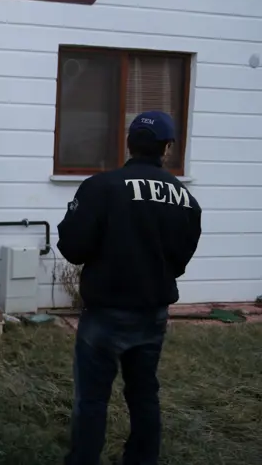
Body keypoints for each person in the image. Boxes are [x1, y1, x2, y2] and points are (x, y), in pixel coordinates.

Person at [57, 111, 202, 465]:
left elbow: (73, 247)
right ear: (167, 148)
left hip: (104, 313)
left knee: (92, 398)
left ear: (129, 143)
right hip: (152, 313)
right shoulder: (185, 199)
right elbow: (181, 258)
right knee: (144, 394)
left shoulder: (101, 187)